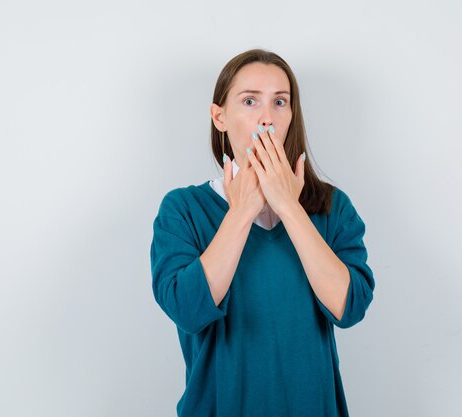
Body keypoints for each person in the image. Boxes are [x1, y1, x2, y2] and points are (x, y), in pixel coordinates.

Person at [149, 48, 376, 417]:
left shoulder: (333, 208)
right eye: (250, 101)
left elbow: (348, 308)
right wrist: (241, 211)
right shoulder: (183, 210)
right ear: (219, 117)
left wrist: (288, 206)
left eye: (280, 102)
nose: (267, 118)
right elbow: (187, 310)